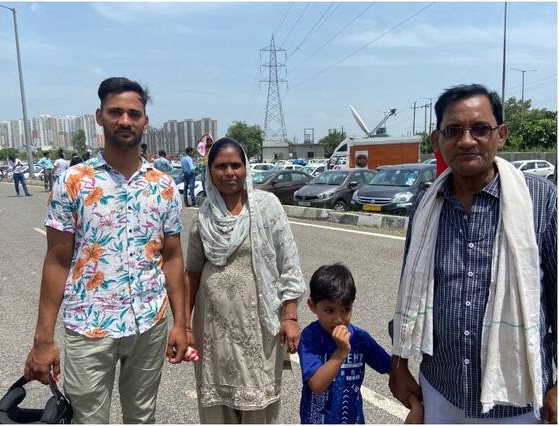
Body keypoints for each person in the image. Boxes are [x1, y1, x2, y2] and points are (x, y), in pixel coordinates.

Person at [24, 77, 188, 423]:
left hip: (149, 323)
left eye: (134, 114)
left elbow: (173, 257)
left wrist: (181, 324)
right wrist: (43, 339)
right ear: (100, 116)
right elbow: (57, 260)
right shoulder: (73, 182)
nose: (125, 121)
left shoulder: (164, 187)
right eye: (116, 112)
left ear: (145, 121)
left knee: (142, 418)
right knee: (88, 419)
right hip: (89, 325)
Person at [390, 84, 557, 424]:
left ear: (501, 135)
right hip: (442, 390)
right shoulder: (426, 206)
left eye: (480, 129)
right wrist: (399, 365)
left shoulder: (541, 201)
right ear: (437, 141)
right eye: (453, 131)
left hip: (519, 399)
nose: (467, 141)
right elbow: (408, 289)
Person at [184, 137, 306, 423]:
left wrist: (290, 316)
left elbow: (289, 262)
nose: (229, 172)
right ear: (209, 171)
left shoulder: (267, 207)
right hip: (213, 330)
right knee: (218, 406)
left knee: (257, 403)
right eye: (221, 166)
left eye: (236, 165)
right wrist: (184, 325)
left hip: (258, 328)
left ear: (246, 168)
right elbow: (192, 272)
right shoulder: (204, 216)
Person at [298, 263, 393, 424]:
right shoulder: (310, 337)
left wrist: (414, 401)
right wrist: (341, 352)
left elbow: (391, 367)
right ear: (312, 306)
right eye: (329, 310)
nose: (339, 319)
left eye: (346, 310)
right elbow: (317, 385)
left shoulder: (359, 338)